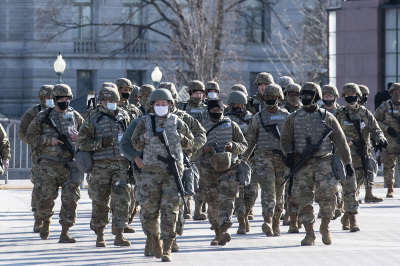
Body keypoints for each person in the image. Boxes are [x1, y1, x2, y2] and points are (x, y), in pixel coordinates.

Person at [280, 82, 353, 246]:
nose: (305, 98)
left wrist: (347, 163)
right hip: (302, 164)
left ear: (317, 97)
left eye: (309, 95)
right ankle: (309, 233)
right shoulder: (292, 118)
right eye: (303, 95)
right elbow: (285, 140)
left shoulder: (327, 117)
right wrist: (289, 155)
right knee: (303, 199)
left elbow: (340, 141)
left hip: (324, 161)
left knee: (329, 193)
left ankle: (325, 226)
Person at [131, 89, 194, 262]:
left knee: (170, 211)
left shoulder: (177, 122)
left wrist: (180, 138)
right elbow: (135, 144)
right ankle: (154, 237)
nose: (160, 107)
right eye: (157, 104)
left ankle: (167, 248)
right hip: (151, 173)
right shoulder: (145, 122)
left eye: (164, 104)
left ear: (170, 105)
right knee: (149, 211)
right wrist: (144, 137)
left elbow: (191, 143)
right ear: (152, 106)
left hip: (172, 173)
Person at [26, 84, 84, 243]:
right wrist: (47, 140)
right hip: (49, 165)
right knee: (45, 198)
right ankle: (45, 222)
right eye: (61, 99)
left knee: (71, 200)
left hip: (69, 164)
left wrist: (77, 138)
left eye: (67, 99)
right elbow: (29, 137)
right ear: (55, 99)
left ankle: (65, 232)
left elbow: (86, 137)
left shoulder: (75, 116)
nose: (64, 101)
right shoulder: (43, 116)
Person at [157, 82, 206, 251]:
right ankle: (155, 238)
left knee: (175, 205)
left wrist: (188, 150)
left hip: (178, 167)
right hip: (154, 169)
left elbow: (200, 135)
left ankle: (172, 238)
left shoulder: (183, 118)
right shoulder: (149, 117)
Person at [194, 99, 247, 246]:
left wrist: (233, 146)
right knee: (212, 202)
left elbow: (244, 145)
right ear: (208, 111)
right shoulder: (201, 126)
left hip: (229, 169)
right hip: (208, 169)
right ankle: (217, 231)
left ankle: (224, 230)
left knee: (227, 199)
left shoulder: (231, 125)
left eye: (219, 111)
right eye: (213, 111)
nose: (216, 113)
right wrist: (203, 150)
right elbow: (192, 150)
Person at [242, 84, 289, 237]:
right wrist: (243, 159)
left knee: (279, 192)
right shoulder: (258, 118)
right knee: (268, 191)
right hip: (263, 158)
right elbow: (250, 141)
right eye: (267, 97)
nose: (270, 100)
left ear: (279, 98)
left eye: (273, 97)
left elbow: (292, 139)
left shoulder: (287, 116)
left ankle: (276, 222)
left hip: (281, 159)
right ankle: (267, 220)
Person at [335, 83, 388, 204]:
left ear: (357, 95)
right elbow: (334, 133)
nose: (350, 96)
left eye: (352, 94)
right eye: (347, 94)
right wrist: (346, 140)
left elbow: (375, 129)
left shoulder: (365, 113)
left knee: (359, 182)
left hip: (362, 153)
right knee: (348, 183)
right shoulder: (339, 113)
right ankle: (347, 209)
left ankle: (348, 209)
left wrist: (380, 139)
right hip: (345, 154)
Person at [18, 84, 54, 232]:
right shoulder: (32, 113)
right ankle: (38, 218)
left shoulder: (62, 112)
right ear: (42, 98)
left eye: (54, 97)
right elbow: (22, 133)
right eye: (48, 98)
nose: (51, 100)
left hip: (60, 156)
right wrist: (38, 141)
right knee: (40, 185)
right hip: (39, 156)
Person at [176, 80, 208, 220]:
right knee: (185, 179)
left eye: (201, 93)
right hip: (185, 149)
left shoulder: (207, 109)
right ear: (190, 93)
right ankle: (186, 208)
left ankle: (198, 210)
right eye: (196, 93)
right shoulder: (183, 108)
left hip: (201, 148)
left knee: (200, 181)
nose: (198, 95)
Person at [225, 91, 255, 234]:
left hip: (252, 160)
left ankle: (247, 213)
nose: (239, 107)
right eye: (235, 105)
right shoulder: (227, 120)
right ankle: (242, 221)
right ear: (230, 105)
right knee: (238, 194)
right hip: (235, 160)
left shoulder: (252, 118)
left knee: (252, 193)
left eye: (241, 105)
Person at [114, 78, 141, 234]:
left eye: (128, 90)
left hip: (131, 156)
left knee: (133, 192)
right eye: (123, 89)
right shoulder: (108, 108)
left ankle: (127, 220)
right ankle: (119, 223)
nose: (126, 92)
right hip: (114, 157)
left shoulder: (134, 110)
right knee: (120, 193)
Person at [374, 82, 400, 198]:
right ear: (390, 93)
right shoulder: (384, 107)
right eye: (394, 92)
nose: (397, 94)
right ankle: (390, 188)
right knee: (388, 166)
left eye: (399, 92)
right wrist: (387, 128)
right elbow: (376, 121)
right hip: (389, 141)